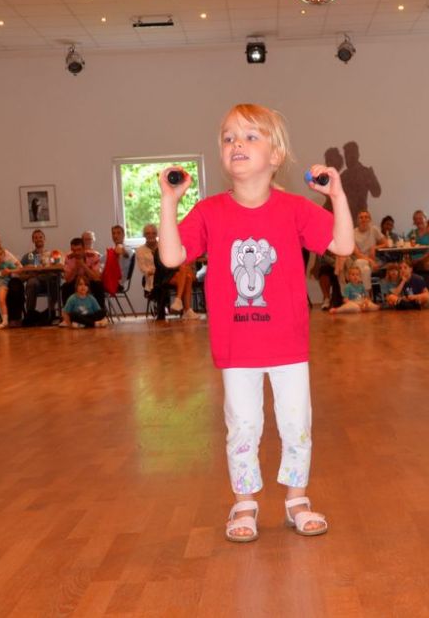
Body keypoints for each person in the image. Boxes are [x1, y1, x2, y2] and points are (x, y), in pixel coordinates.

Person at [156, 103, 354, 542]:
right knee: (243, 425)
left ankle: (297, 498)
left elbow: (342, 245)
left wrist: (337, 196)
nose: (236, 144)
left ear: (275, 155)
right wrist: (170, 202)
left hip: (287, 343)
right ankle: (244, 501)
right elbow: (171, 256)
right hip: (237, 346)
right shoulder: (209, 211)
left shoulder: (294, 208)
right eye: (228, 138)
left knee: (296, 424)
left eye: (249, 136)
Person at [134, 223, 199, 320]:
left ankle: (180, 302)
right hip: (155, 277)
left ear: (157, 234)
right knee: (187, 275)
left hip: (169, 273)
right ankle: (186, 309)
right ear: (144, 235)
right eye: (148, 233)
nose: (151, 235)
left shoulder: (164, 247)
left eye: (153, 233)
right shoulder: (140, 250)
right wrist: (158, 269)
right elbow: (143, 269)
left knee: (185, 273)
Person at [20, 229, 61, 322]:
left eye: (40, 237)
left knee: (54, 279)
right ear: (33, 240)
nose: (38, 239)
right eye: (36, 237)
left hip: (49, 281)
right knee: (31, 282)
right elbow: (20, 276)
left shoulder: (53, 254)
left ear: (44, 239)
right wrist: (30, 274)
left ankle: (51, 311)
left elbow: (59, 269)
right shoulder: (28, 256)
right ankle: (30, 313)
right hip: (35, 283)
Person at [344, 210, 384, 290]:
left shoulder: (374, 230)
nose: (364, 219)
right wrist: (371, 261)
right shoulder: (352, 233)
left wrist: (374, 247)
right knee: (361, 263)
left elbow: (386, 243)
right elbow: (357, 254)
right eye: (361, 217)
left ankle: (361, 293)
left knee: (366, 269)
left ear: (370, 219)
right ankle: (367, 294)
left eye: (366, 217)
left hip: (370, 263)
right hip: (357, 262)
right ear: (357, 220)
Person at [61, 237, 104, 309]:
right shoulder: (69, 257)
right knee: (65, 287)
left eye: (79, 250)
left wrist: (83, 265)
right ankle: (68, 313)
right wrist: (76, 267)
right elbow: (68, 280)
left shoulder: (93, 255)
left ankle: (100, 312)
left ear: (84, 249)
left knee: (98, 285)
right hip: (76, 281)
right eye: (73, 250)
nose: (76, 253)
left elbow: (96, 277)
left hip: (90, 280)